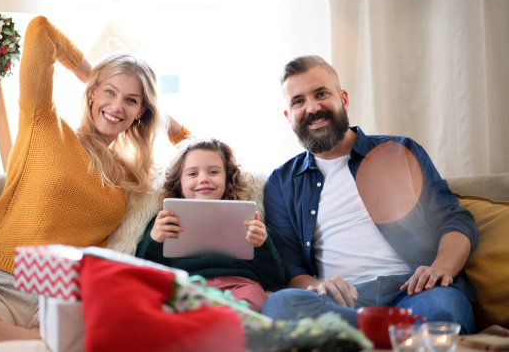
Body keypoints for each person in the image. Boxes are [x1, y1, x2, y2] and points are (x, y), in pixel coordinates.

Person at [0, 16, 189, 345]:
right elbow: (41, 31)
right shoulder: (45, 124)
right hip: (0, 280)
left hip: (64, 295)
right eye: (109, 93)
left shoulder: (131, 176)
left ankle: (39, 339)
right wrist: (95, 76)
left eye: (131, 100)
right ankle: (37, 340)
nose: (116, 106)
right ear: (92, 94)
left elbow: (195, 152)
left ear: (142, 111)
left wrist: (160, 118)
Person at [260, 55, 478, 334]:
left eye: (321, 93)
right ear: (288, 115)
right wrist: (317, 286)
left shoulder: (400, 151)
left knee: (442, 311)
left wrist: (443, 267)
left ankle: (368, 334)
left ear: (344, 99)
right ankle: (398, 333)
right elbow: (289, 265)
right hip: (341, 302)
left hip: (416, 291)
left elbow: (454, 219)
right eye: (298, 101)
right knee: (280, 307)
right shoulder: (281, 182)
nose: (312, 108)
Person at [136, 138, 290, 312]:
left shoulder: (247, 219)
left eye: (213, 172)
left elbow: (277, 281)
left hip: (240, 286)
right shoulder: (165, 219)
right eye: (193, 174)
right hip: (187, 286)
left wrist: (262, 243)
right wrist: (154, 240)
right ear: (179, 183)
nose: (203, 179)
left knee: (247, 307)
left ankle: (225, 325)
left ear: (227, 177)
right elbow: (142, 274)